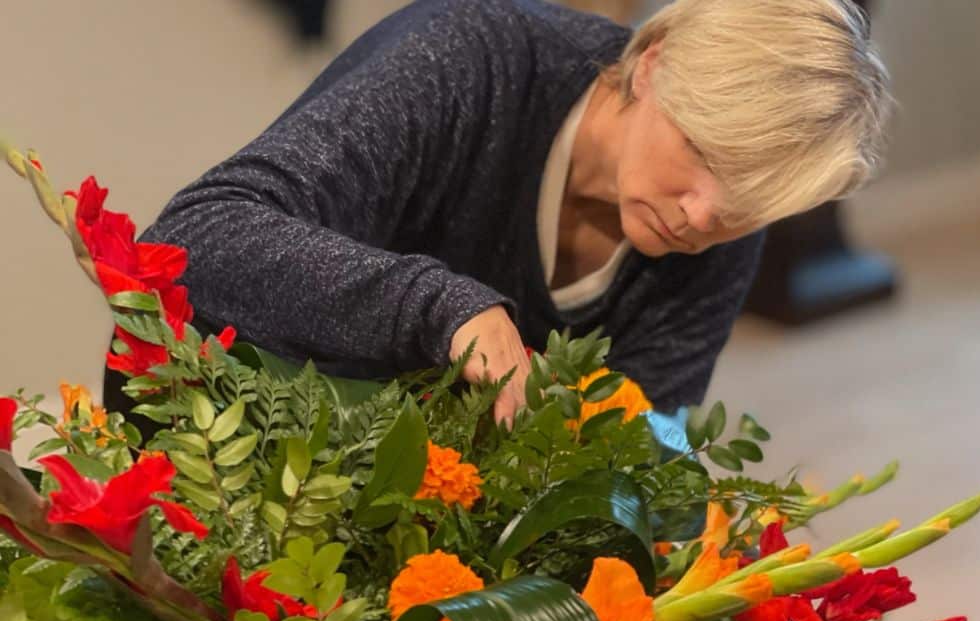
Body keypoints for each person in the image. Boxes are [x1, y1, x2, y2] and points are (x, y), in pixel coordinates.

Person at [134, 0, 890, 425]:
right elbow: (193, 237)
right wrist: (440, 309)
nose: (702, 218)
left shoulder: (723, 230)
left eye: (748, 204)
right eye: (705, 152)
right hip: (220, 437)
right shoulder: (465, 56)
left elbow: (634, 459)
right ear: (653, 63)